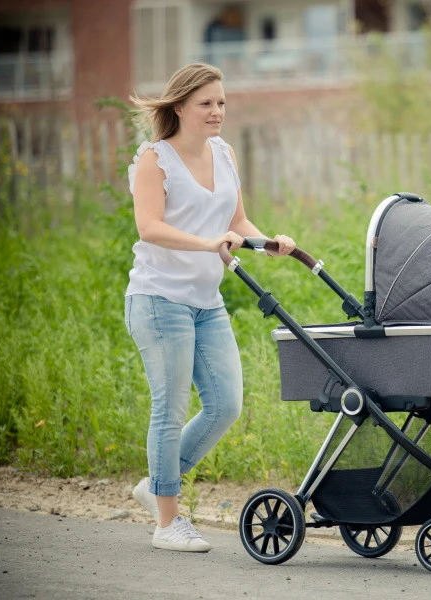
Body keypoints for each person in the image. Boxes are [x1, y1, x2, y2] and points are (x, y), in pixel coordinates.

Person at [124, 63, 295, 552]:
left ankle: (156, 485)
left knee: (225, 405)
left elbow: (236, 220)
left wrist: (266, 243)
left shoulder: (224, 153)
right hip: (159, 301)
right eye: (206, 103)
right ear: (179, 107)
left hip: (205, 301)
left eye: (221, 102)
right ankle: (167, 522)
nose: (217, 111)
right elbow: (149, 228)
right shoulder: (154, 160)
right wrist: (207, 244)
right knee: (171, 408)